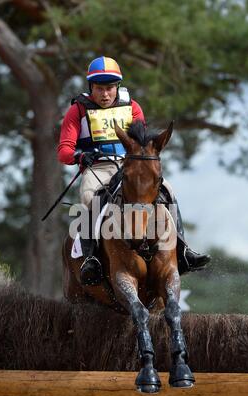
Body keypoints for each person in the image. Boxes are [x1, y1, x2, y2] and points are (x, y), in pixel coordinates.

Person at [58, 56, 210, 285]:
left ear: (117, 86)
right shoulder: (77, 111)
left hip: (129, 165)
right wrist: (80, 156)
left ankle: (183, 249)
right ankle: (91, 259)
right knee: (90, 198)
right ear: (91, 87)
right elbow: (63, 151)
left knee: (168, 190)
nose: (105, 94)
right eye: (100, 88)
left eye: (109, 88)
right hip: (98, 167)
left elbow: (143, 143)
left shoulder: (132, 107)